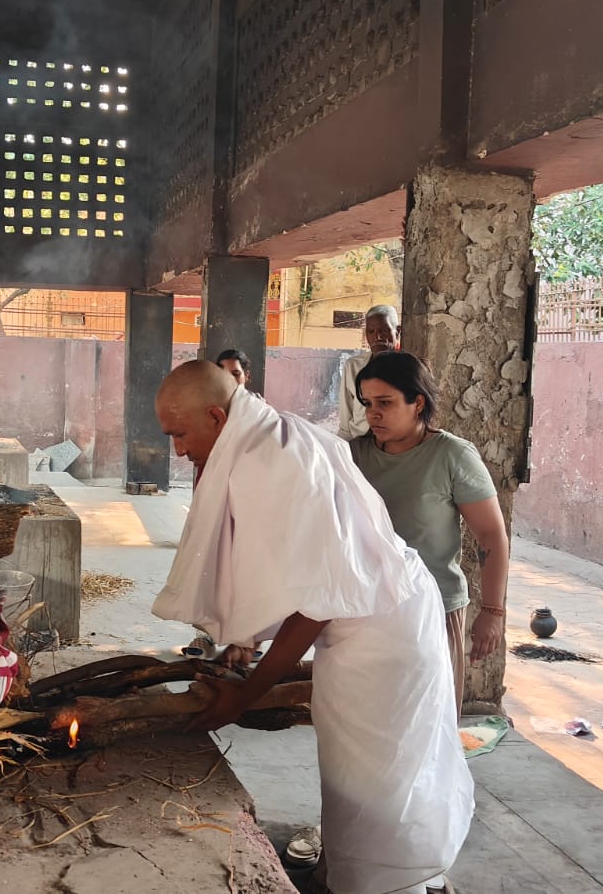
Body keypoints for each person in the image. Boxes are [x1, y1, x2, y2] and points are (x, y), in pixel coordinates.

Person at [154, 360, 471, 894]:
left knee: (380, 781)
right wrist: (246, 637)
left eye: (180, 434)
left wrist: (247, 695)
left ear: (214, 415)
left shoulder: (269, 460)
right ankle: (361, 876)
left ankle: (394, 883)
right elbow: (286, 562)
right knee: (359, 773)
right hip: (372, 617)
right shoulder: (265, 436)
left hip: (382, 631)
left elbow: (319, 600)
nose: (179, 450)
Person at [349, 351, 508, 720]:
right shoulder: (353, 455)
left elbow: (490, 536)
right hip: (367, 607)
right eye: (368, 403)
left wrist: (493, 611)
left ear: (417, 402)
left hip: (435, 608)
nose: (373, 413)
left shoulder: (452, 455)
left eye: (385, 403)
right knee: (372, 720)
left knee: (428, 723)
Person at [337, 304, 400, 440]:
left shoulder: (408, 368)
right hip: (359, 440)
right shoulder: (353, 366)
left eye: (384, 330)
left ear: (397, 332)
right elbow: (346, 413)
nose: (377, 336)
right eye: (371, 331)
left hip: (392, 443)